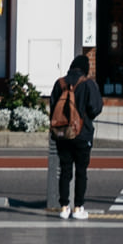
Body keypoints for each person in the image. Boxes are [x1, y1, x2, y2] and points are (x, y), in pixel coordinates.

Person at [49, 49, 103, 220]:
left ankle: (64, 207)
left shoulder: (59, 83)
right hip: (82, 134)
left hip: (62, 134)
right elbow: (95, 109)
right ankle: (78, 207)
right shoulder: (88, 84)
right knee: (81, 171)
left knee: (64, 170)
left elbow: (52, 108)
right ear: (85, 69)